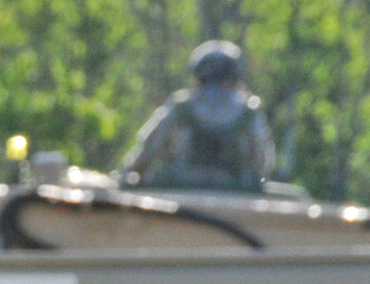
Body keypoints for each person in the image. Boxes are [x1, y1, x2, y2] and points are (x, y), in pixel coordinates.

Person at [117, 40, 276, 192]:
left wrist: (127, 176)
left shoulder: (181, 107)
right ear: (236, 77)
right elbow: (261, 162)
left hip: (180, 193)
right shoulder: (248, 112)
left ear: (198, 75)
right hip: (233, 192)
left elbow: (147, 153)